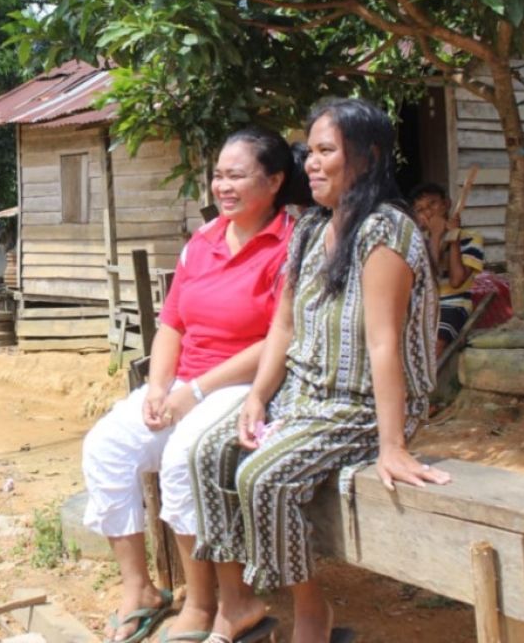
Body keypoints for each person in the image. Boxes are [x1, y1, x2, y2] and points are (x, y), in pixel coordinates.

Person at [191, 98, 452, 643]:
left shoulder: (385, 232)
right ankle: (236, 603)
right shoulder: (311, 229)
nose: (311, 162)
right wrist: (258, 397)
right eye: (310, 150)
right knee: (209, 452)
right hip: (302, 398)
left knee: (264, 476)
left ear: (368, 155)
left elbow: (383, 343)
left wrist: (393, 444)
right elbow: (282, 327)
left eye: (326, 150)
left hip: (358, 406)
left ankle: (312, 614)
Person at [81, 128, 309, 643]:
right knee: (106, 446)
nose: (222, 186)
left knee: (184, 456)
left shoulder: (289, 244)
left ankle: (207, 602)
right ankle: (138, 589)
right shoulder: (201, 243)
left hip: (244, 386)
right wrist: (160, 386)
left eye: (237, 175)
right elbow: (172, 325)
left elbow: (279, 337)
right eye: (218, 175)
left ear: (274, 181)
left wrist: (197, 391)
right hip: (184, 380)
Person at [409, 182, 485, 358]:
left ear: (447, 204)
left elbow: (457, 281)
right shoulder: (418, 242)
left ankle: (433, 384)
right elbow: (428, 277)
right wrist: (436, 236)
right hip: (423, 306)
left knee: (437, 341)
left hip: (453, 305)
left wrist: (454, 240)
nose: (428, 212)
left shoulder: (472, 238)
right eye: (420, 209)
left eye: (433, 204)